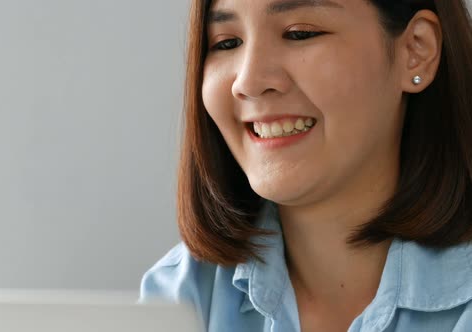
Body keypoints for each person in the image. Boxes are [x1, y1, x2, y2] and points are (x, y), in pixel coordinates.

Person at [139, 0, 472, 331]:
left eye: (300, 34)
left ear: (416, 50)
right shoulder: (179, 297)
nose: (249, 81)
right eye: (227, 43)